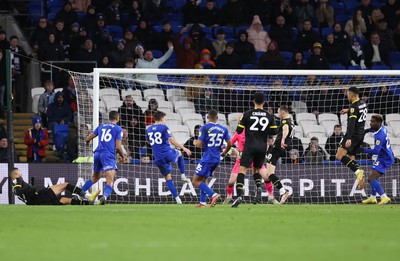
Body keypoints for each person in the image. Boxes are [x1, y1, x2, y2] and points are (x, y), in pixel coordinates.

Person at [231, 93, 280, 208]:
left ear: (253, 101)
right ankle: (258, 188)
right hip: (262, 147)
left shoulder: (247, 114)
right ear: (264, 102)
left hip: (249, 146)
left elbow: (238, 131)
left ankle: (238, 196)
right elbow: (274, 132)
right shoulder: (269, 115)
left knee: (242, 170)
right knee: (256, 169)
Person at [81, 111, 127, 205]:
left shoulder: (101, 126)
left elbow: (88, 138)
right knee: (110, 180)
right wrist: (123, 156)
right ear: (117, 118)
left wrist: (87, 142)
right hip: (108, 155)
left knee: (95, 177)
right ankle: (104, 197)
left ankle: (78, 193)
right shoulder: (118, 129)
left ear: (109, 118)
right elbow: (118, 146)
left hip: (98, 153)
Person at [146, 111, 191, 204]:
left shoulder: (149, 129)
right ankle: (183, 176)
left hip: (157, 157)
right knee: (179, 153)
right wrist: (183, 147)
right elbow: (171, 140)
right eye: (164, 119)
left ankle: (177, 199)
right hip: (167, 153)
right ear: (162, 118)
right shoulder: (164, 127)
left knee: (168, 178)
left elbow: (148, 141)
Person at [224, 127, 278, 205]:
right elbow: (230, 144)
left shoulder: (255, 132)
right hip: (241, 160)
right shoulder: (238, 133)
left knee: (266, 177)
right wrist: (236, 151)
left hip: (254, 159)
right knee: (231, 182)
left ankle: (271, 197)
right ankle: (229, 197)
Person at [192, 109, 231, 207]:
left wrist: (196, 142)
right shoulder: (224, 129)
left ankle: (213, 195)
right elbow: (230, 143)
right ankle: (203, 202)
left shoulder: (204, 128)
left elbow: (199, 145)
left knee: (195, 181)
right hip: (216, 158)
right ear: (217, 118)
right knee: (203, 179)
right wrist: (225, 153)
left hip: (207, 158)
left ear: (207, 118)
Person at [336, 87, 367, 190]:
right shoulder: (363, 103)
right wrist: (349, 110)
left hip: (353, 135)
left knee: (339, 155)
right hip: (360, 135)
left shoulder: (354, 106)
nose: (347, 96)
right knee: (350, 157)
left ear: (353, 95)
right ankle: (359, 175)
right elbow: (357, 111)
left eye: (348, 94)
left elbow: (352, 124)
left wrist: (348, 138)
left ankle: (359, 171)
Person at [10, 167, 95, 205]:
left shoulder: (14, 183)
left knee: (65, 200)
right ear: (16, 174)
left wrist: (30, 186)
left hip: (37, 202)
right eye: (19, 171)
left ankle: (91, 203)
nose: (21, 173)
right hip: (39, 197)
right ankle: (88, 196)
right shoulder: (18, 180)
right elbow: (18, 191)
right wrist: (29, 188)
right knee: (65, 185)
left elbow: (21, 192)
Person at [261, 105, 293, 205]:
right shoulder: (291, 121)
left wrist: (282, 140)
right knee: (267, 175)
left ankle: (283, 191)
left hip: (277, 148)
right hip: (282, 149)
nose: (278, 114)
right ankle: (272, 196)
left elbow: (285, 129)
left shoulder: (285, 122)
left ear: (283, 113)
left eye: (279, 112)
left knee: (270, 173)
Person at [361, 115, 395, 205]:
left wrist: (361, 150)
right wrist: (366, 131)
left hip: (385, 158)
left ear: (379, 123)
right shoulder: (382, 128)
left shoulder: (379, 136)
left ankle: (384, 197)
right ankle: (373, 198)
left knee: (371, 178)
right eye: (371, 121)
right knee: (373, 176)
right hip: (384, 156)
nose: (371, 123)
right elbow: (373, 129)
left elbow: (375, 151)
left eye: (373, 122)